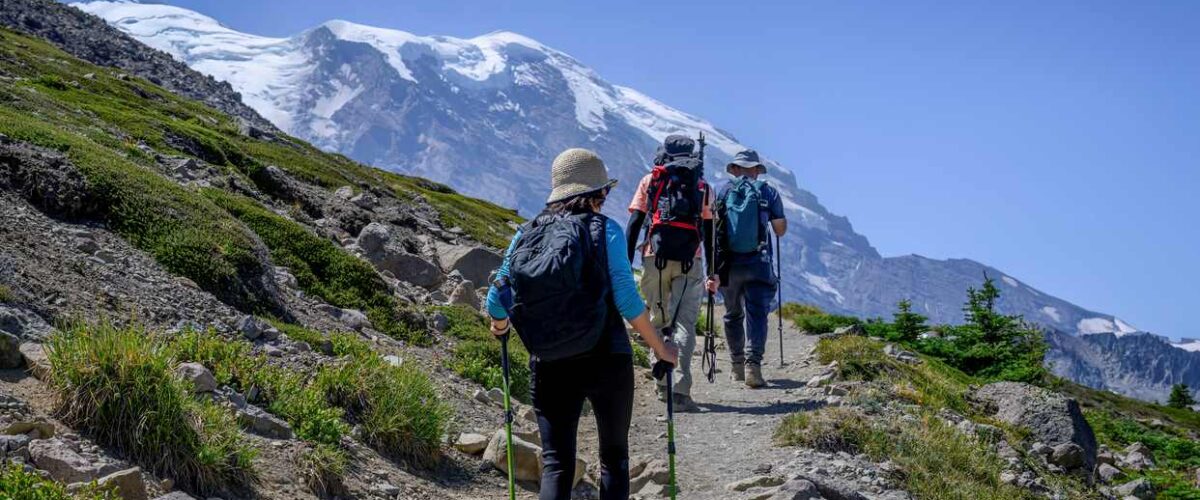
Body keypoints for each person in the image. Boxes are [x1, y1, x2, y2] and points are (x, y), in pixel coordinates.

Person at [486, 148, 680, 500]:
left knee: (556, 462)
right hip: (606, 356)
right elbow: (626, 299)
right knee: (614, 461)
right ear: (599, 193)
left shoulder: (525, 234)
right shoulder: (605, 230)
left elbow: (495, 297)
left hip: (549, 363)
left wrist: (500, 327)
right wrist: (661, 348)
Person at [625, 135, 717, 412]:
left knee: (658, 321)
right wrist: (713, 272)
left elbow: (634, 223)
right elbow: (710, 232)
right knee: (685, 325)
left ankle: (662, 385)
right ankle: (680, 391)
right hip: (692, 260)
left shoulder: (651, 180)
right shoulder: (703, 186)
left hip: (655, 258)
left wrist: (626, 264)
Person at [715, 149, 787, 388]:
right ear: (756, 170)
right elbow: (779, 230)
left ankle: (736, 367)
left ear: (734, 168)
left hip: (729, 265)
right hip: (759, 262)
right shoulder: (768, 192)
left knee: (732, 313)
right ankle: (752, 367)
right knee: (757, 313)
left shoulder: (724, 191)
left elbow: (714, 228)